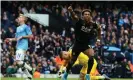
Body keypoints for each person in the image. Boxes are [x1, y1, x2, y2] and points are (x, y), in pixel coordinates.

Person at [63, 6, 101, 80]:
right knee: (72, 61)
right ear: (83, 16)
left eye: (88, 14)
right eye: (85, 14)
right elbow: (74, 16)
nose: (87, 15)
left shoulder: (93, 24)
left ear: (90, 16)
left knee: (92, 56)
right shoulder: (80, 21)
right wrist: (71, 11)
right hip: (77, 45)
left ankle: (87, 75)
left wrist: (98, 40)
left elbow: (99, 29)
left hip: (85, 45)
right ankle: (66, 73)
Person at [5, 14, 33, 80]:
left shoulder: (26, 27)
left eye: (20, 17)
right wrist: (10, 39)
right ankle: (29, 77)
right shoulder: (17, 28)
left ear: (23, 19)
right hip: (18, 46)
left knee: (18, 61)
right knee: (19, 64)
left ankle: (31, 69)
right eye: (19, 17)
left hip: (23, 45)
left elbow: (31, 36)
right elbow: (16, 38)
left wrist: (23, 36)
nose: (19, 18)